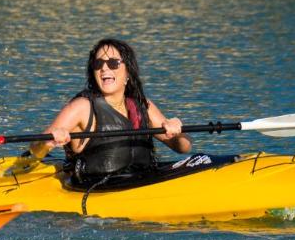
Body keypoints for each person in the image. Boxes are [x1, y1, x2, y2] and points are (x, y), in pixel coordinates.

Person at [34, 38, 190, 188]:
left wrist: (177, 132)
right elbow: (35, 151)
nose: (104, 68)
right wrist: (48, 142)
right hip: (97, 189)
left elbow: (183, 148)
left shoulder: (142, 106)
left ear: (128, 72)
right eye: (98, 63)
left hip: (141, 181)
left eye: (113, 63)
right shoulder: (81, 107)